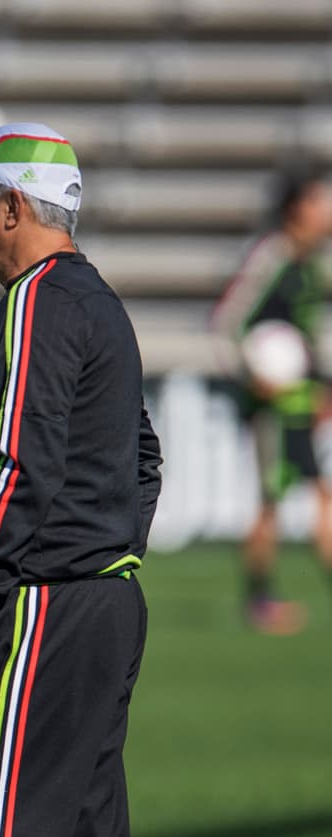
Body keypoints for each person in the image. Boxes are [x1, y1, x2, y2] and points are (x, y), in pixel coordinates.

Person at [0, 122, 163, 837]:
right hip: (104, 604)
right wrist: (110, 555)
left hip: (41, 607)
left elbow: (23, 458)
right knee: (89, 835)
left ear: (13, 208)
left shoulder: (40, 302)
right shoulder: (101, 304)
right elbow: (144, 458)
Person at [210, 167, 332, 635]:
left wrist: (319, 387)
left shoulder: (311, 262)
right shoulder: (272, 257)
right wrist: (250, 373)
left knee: (321, 494)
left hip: (302, 403)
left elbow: (307, 336)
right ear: (295, 208)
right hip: (272, 409)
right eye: (318, 201)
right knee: (270, 503)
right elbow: (227, 320)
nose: (325, 211)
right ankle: (259, 601)